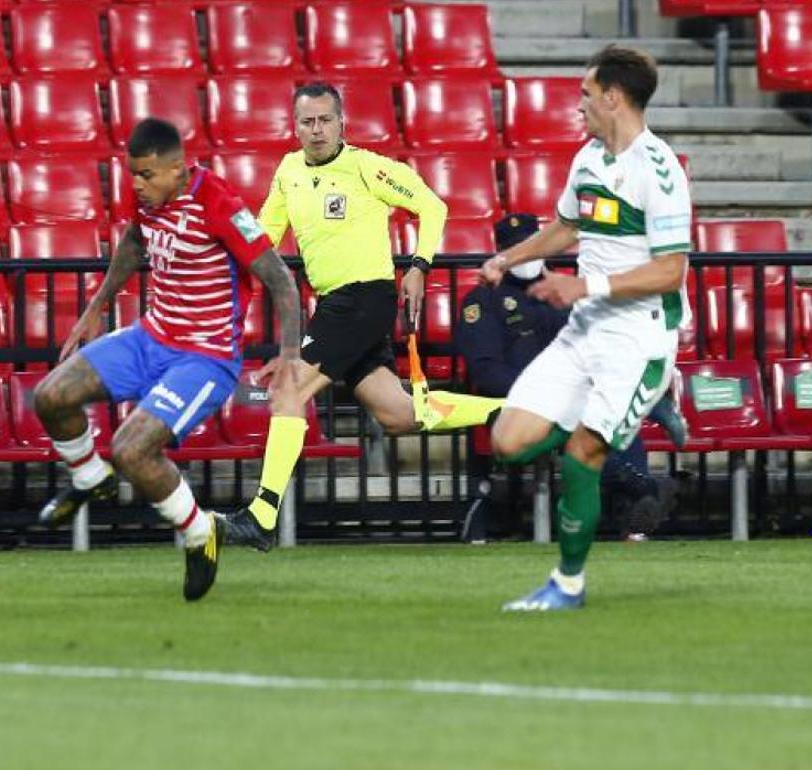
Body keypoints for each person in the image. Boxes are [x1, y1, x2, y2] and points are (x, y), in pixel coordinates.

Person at [221, 82, 503, 551]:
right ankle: (514, 411)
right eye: (307, 122)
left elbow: (433, 206)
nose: (317, 130)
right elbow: (264, 237)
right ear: (294, 127)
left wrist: (418, 267)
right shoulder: (288, 172)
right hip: (336, 303)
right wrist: (222, 244)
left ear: (341, 122)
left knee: (288, 389)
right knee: (396, 414)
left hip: (364, 299)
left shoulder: (366, 167)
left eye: (325, 120)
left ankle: (262, 515)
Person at [30, 118, 301, 601]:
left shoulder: (218, 203)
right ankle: (90, 479)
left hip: (204, 356)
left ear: (178, 169)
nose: (136, 184)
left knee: (132, 450)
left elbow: (279, 277)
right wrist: (96, 308)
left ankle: (200, 534)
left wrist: (289, 355)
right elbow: (136, 243)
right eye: (132, 174)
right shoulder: (150, 196)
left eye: (146, 176)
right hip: (150, 338)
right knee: (51, 395)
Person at [479, 46, 692, 612]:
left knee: (582, 456)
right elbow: (566, 227)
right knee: (509, 442)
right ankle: (644, 408)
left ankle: (567, 584)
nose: (579, 105)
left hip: (638, 336)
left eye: (586, 94)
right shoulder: (588, 160)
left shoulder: (661, 171)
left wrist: (586, 286)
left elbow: (672, 271)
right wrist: (509, 258)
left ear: (613, 98)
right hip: (586, 330)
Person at [457, 215, 686, 540]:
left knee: (610, 410)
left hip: (582, 390)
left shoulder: (562, 291)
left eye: (529, 244)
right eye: (514, 247)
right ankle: (640, 488)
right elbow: (486, 370)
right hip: (525, 401)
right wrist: (540, 394)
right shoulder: (483, 300)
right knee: (580, 421)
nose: (526, 255)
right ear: (503, 252)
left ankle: (635, 520)